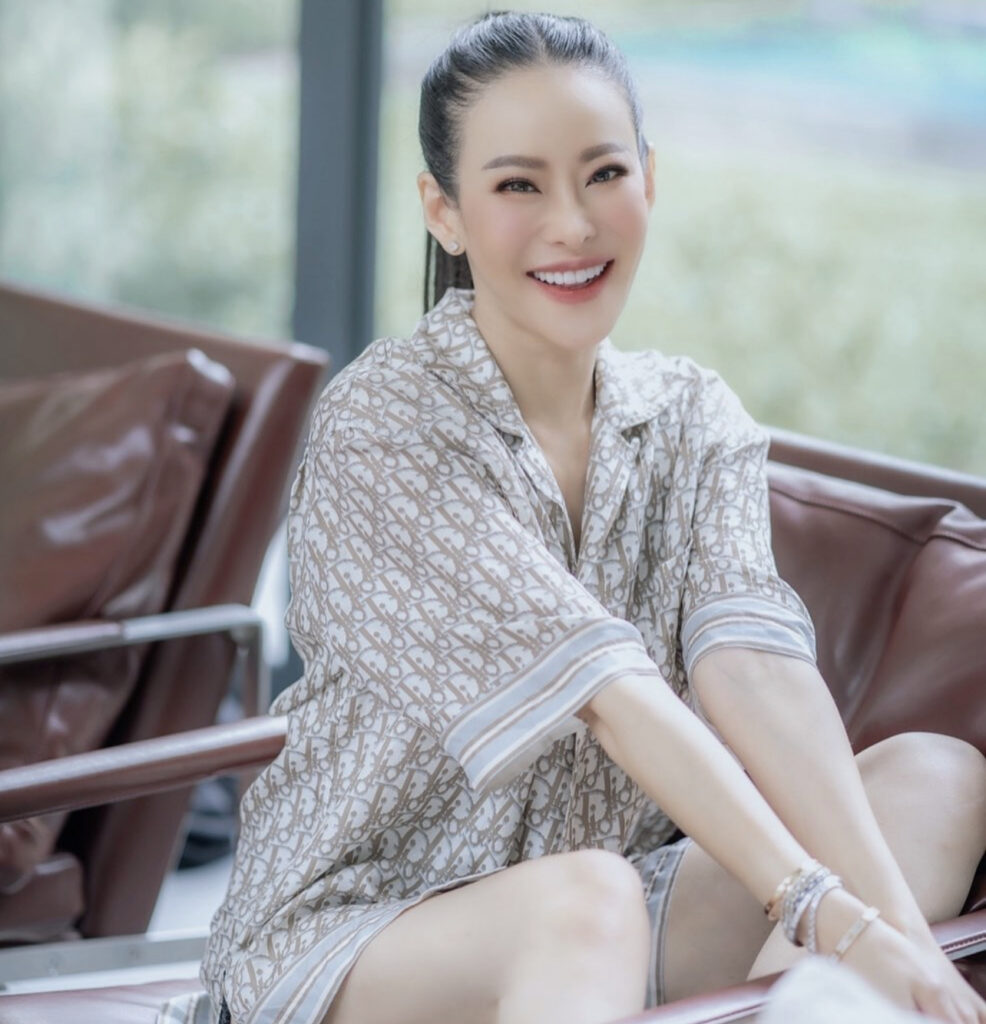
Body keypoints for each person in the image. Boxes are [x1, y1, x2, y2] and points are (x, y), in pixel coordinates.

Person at [190, 12, 986, 1024]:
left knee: (934, 777)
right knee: (588, 901)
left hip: (607, 911)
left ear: (648, 178)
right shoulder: (385, 421)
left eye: (603, 174)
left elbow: (753, 669)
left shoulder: (691, 415)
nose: (571, 223)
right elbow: (606, 693)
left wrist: (899, 941)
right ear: (443, 211)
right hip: (354, 938)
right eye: (518, 185)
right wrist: (828, 914)